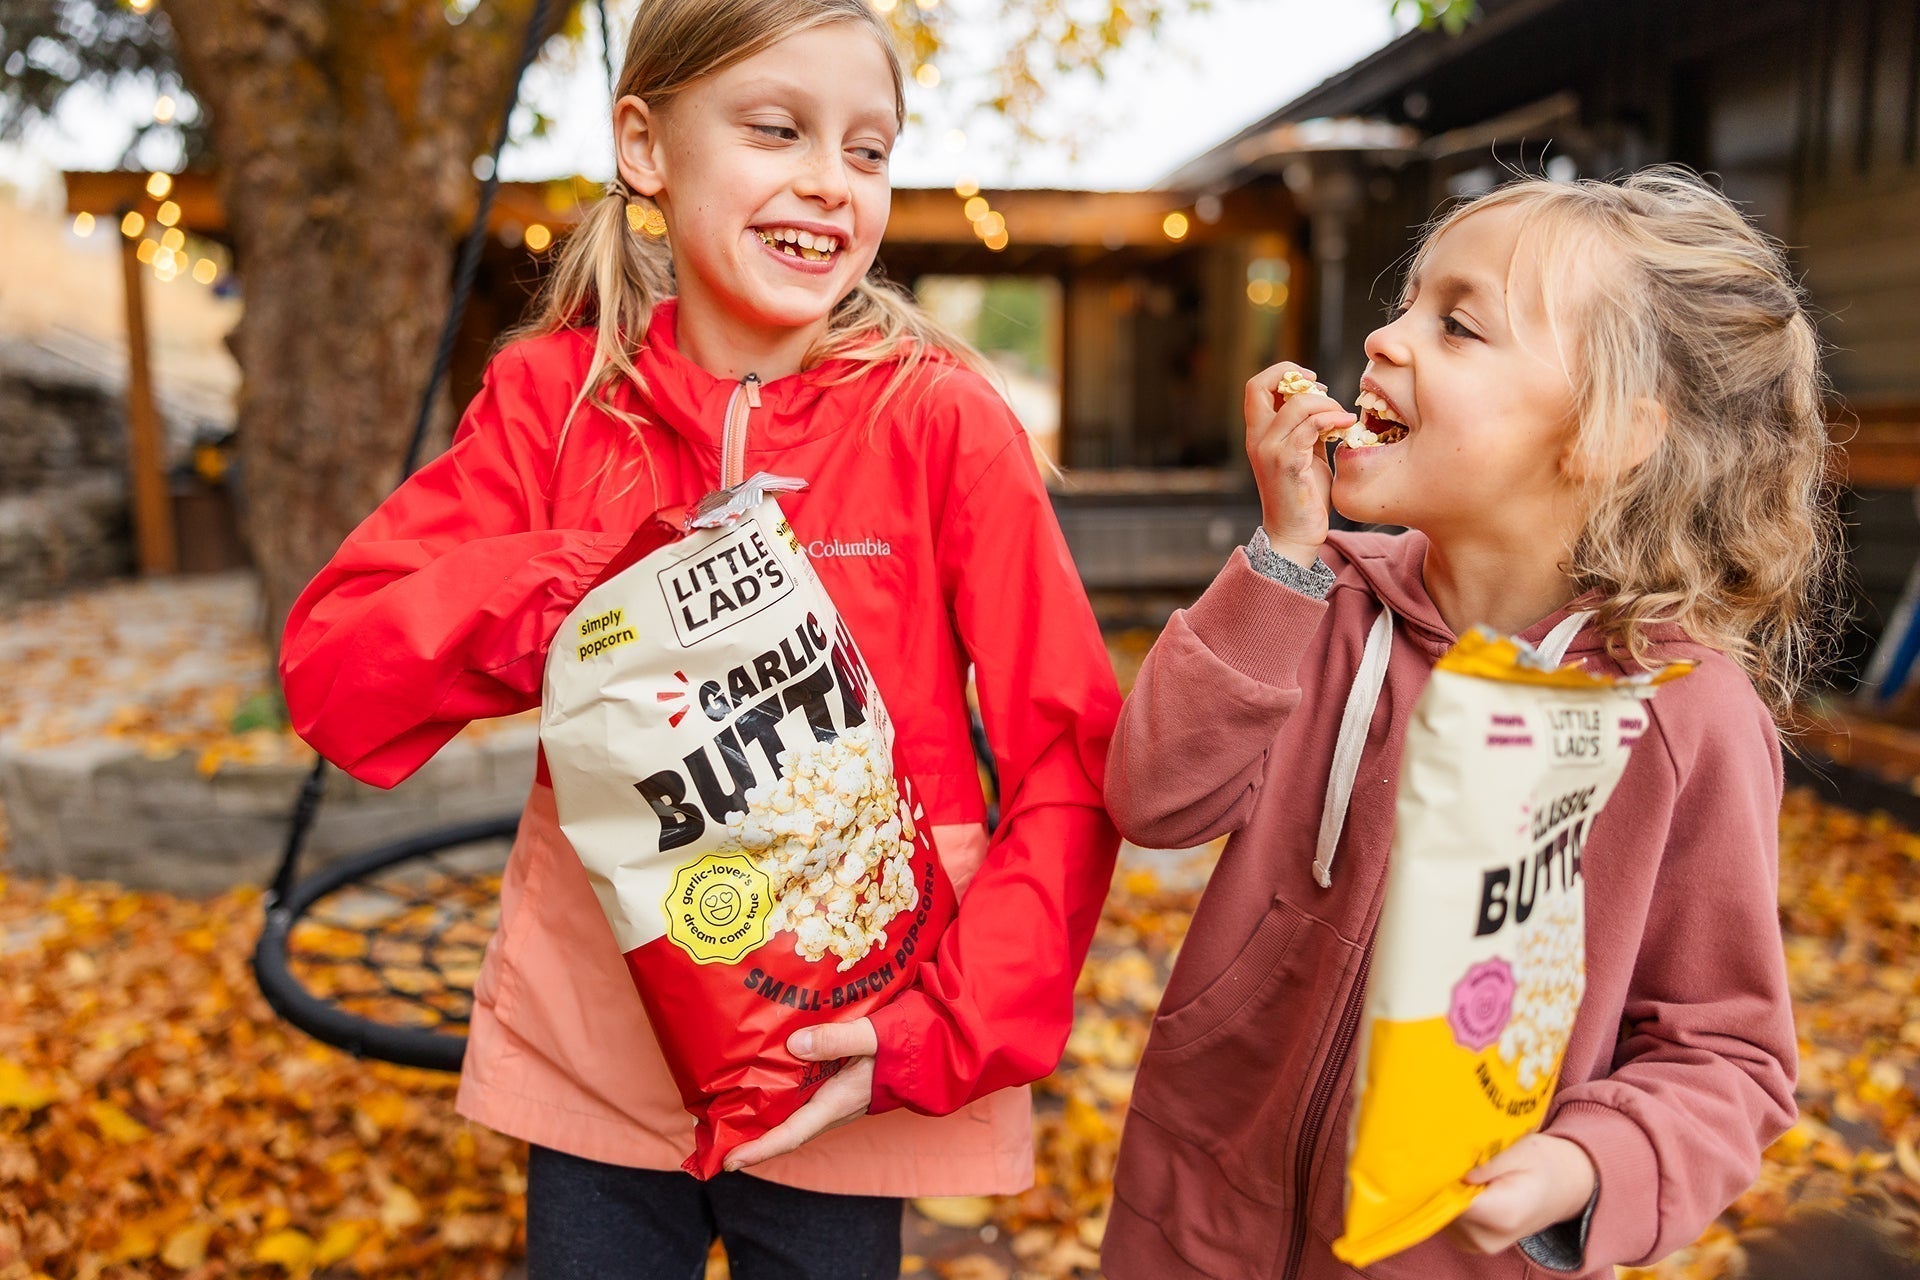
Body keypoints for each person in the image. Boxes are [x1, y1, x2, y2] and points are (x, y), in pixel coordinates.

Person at [278, 1, 1120, 1274]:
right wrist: (594, 585)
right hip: (601, 1036)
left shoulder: (939, 421)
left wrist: (946, 1026)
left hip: (853, 1031)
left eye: (870, 149)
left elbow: (1070, 750)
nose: (830, 183)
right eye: (778, 129)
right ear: (646, 145)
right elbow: (339, 666)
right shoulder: (555, 403)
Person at [1100, 167, 1840, 1280]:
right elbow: (1155, 798)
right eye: (1404, 305)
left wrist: (1589, 1165)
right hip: (1195, 1209)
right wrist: (1281, 558)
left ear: (1607, 435)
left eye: (1456, 326)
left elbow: (1724, 1052)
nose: (1385, 340)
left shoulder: (1685, 715)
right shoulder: (1321, 596)